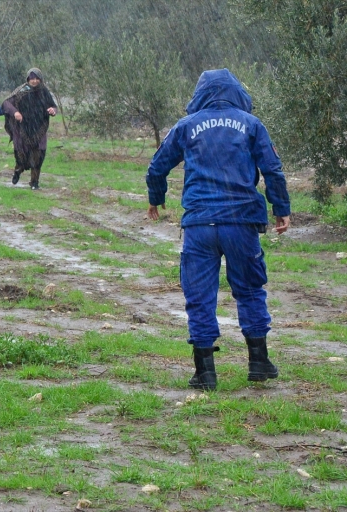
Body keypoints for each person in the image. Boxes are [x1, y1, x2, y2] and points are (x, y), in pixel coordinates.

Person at [145, 68, 291, 391]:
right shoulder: (251, 125)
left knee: (199, 296)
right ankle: (258, 362)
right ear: (237, 91)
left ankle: (205, 372)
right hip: (241, 223)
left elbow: (156, 166)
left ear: (201, 94)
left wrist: (156, 199)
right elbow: (273, 169)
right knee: (251, 289)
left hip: (200, 224)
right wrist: (281, 209)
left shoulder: (186, 126)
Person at [2, 68, 57, 190]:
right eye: (32, 78)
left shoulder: (44, 91)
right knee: (21, 156)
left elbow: (53, 106)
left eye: (37, 78)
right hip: (21, 129)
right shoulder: (21, 91)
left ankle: (34, 182)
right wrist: (15, 112)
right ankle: (18, 170)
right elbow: (6, 103)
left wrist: (53, 110)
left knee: (38, 155)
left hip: (39, 128)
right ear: (28, 79)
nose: (34, 81)